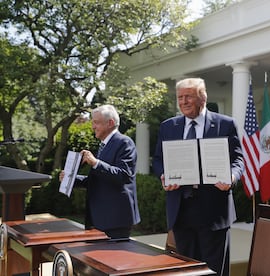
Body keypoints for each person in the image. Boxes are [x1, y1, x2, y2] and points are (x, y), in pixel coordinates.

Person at [152, 78, 244, 276]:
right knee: (187, 270)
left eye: (188, 97)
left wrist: (232, 177)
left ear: (203, 98)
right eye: (180, 97)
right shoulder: (168, 126)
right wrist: (163, 175)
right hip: (181, 209)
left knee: (215, 270)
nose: (183, 101)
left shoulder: (225, 124)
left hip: (214, 209)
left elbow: (238, 160)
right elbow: (158, 160)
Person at [60, 104, 140, 239]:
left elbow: (123, 176)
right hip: (98, 218)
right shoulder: (103, 145)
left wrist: (95, 162)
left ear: (110, 123)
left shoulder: (124, 143)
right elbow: (97, 180)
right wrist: (71, 178)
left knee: (115, 260)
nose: (92, 127)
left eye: (96, 122)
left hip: (115, 219)